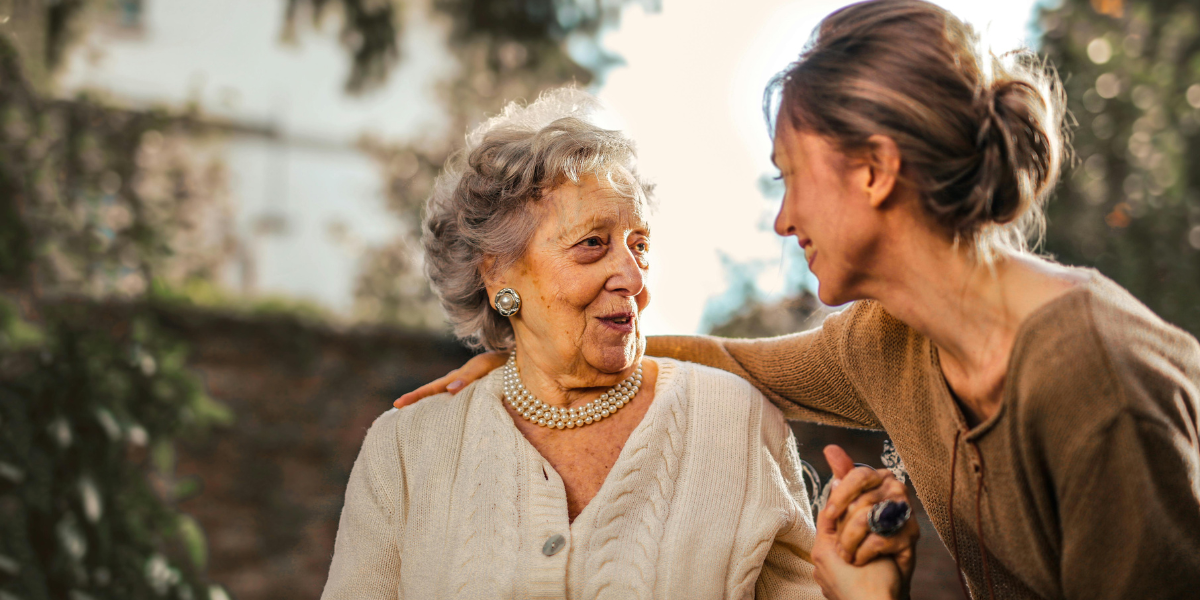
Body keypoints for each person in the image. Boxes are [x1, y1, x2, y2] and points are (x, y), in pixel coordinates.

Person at [395, 1, 1200, 599]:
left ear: (876, 170)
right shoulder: (890, 342)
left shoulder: (1093, 383)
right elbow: (729, 360)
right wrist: (528, 360)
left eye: (790, 176)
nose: (782, 218)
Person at [321, 88, 916, 600]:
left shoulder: (734, 421)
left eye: (640, 245)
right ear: (498, 273)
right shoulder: (405, 450)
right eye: (592, 244)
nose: (633, 278)